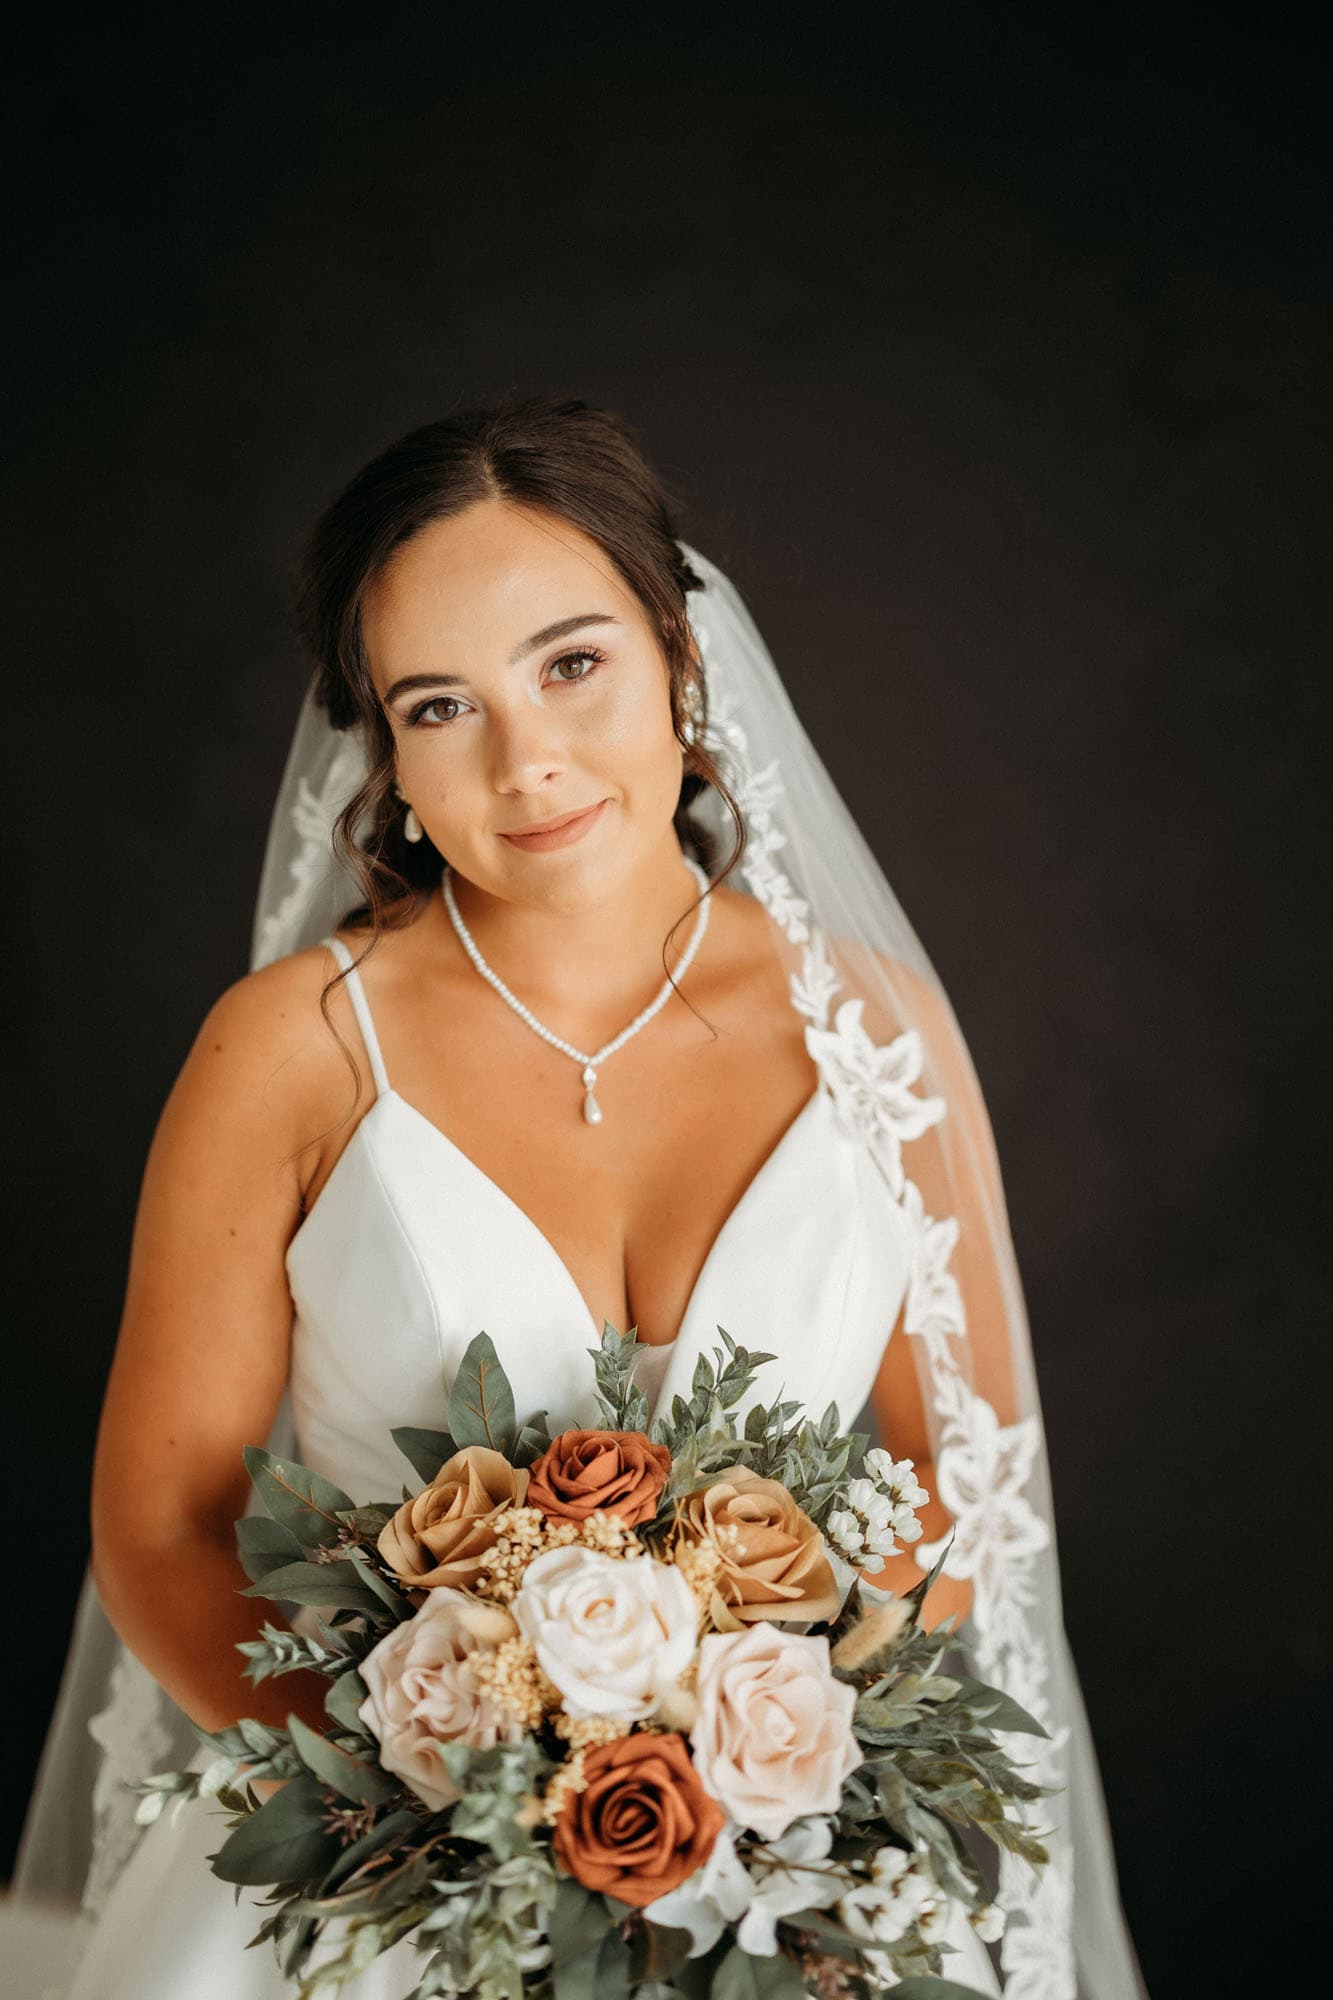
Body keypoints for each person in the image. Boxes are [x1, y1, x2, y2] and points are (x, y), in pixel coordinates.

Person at [13, 396, 1148, 1998]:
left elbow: (954, 1470)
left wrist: (762, 1792)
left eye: (571, 663)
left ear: (680, 664)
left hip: (788, 1874)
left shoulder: (874, 1028)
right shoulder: (289, 1050)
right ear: (385, 759)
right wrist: (438, 1808)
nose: (525, 757)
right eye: (437, 705)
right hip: (367, 1876)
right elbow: (163, 1522)